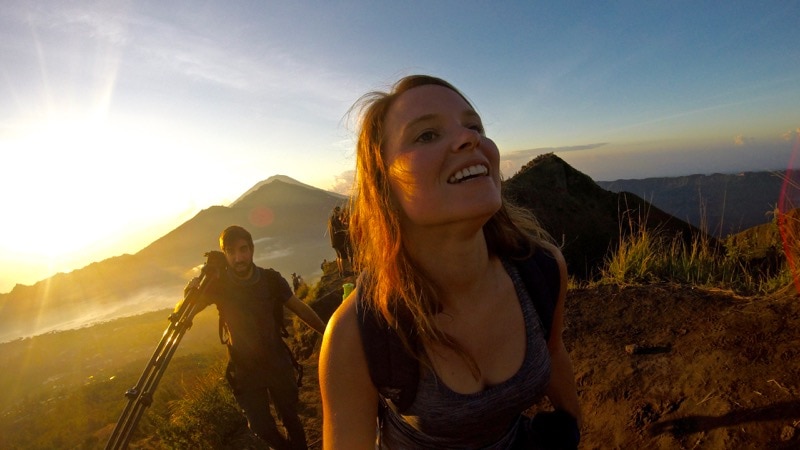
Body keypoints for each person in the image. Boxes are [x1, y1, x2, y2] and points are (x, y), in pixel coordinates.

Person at [319, 75, 581, 449]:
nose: (469, 138)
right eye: (426, 135)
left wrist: (571, 428)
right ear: (385, 185)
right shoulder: (356, 333)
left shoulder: (541, 268)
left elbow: (554, 353)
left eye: (474, 126)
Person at [188, 225, 327, 450]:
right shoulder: (218, 285)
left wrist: (328, 332)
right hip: (244, 368)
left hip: (277, 362)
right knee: (260, 427)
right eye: (231, 252)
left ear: (252, 250)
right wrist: (190, 293)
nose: (238, 257)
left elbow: (299, 308)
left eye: (243, 250)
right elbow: (187, 312)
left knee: (291, 418)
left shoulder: (271, 280)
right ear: (224, 254)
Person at [327, 206, 349, 277]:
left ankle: (341, 272)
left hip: (334, 242)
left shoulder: (331, 219)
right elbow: (337, 231)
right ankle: (344, 272)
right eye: (339, 211)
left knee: (338, 256)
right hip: (339, 241)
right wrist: (346, 231)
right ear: (337, 211)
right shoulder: (336, 219)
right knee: (343, 256)